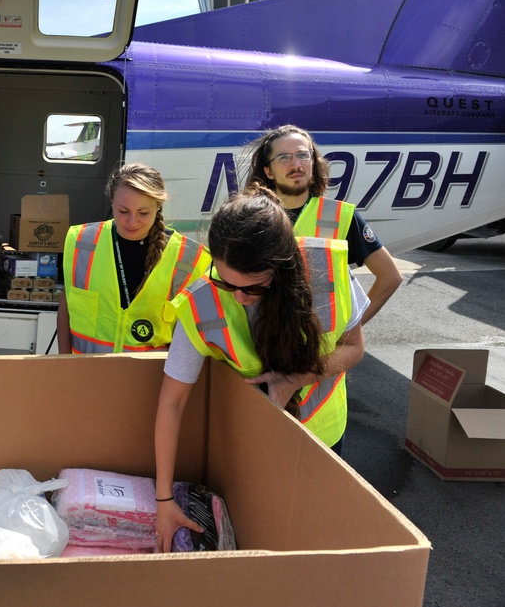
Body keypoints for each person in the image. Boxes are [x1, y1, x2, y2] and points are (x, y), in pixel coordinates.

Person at [153, 185, 368, 552]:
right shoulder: (200, 301)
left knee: (315, 545)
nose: (237, 297)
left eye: (252, 288)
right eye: (225, 282)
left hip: (324, 439)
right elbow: (171, 403)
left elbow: (354, 349)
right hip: (257, 448)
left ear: (282, 267)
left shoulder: (328, 273)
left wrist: (295, 379)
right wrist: (163, 501)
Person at [243, 125, 401, 325]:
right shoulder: (251, 217)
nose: (296, 164)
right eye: (284, 157)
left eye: (302, 155)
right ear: (268, 171)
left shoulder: (340, 216)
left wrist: (353, 328)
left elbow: (390, 277)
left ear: (313, 163)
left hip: (324, 349)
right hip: (265, 341)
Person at [57, 162, 210, 354]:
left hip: (150, 379)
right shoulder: (81, 242)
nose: (132, 222)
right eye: (123, 211)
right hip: (87, 374)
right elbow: (67, 303)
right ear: (111, 202)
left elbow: (192, 333)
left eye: (143, 213)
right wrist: (63, 361)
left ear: (158, 206)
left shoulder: (190, 258)